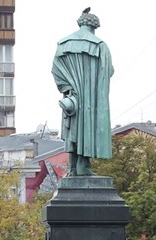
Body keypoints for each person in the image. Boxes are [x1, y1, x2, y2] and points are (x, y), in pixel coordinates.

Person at [52, 7, 114, 176]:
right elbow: (108, 71)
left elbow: (56, 70)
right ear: (94, 26)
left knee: (73, 129)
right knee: (87, 129)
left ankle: (73, 169)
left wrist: (68, 88)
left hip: (72, 97)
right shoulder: (100, 45)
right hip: (91, 98)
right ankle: (83, 167)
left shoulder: (63, 44)